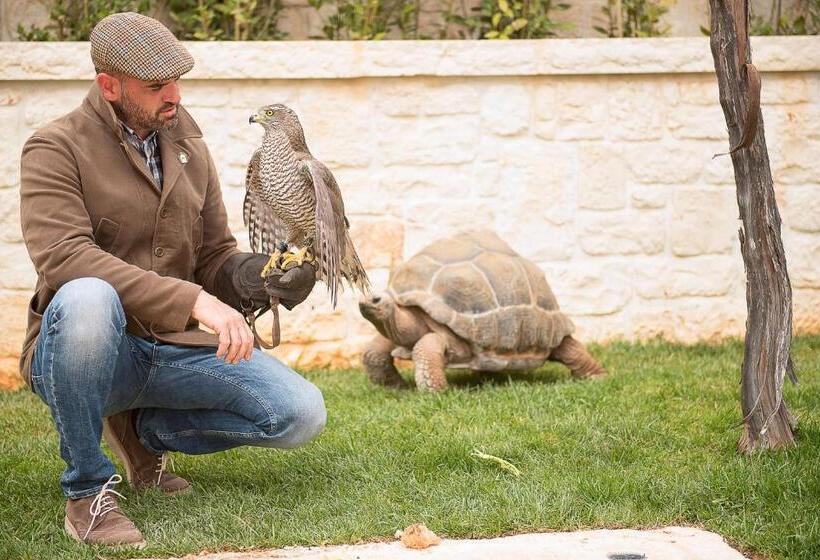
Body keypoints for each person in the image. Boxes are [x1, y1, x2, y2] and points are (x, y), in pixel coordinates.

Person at [18, 12, 326, 548]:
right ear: (108, 85)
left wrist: (260, 278)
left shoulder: (187, 147)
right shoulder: (55, 148)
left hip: (173, 349)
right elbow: (65, 258)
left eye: (178, 80)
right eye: (158, 85)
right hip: (90, 353)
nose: (175, 96)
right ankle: (87, 491)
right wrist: (195, 300)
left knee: (300, 414)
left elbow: (213, 255)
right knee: (89, 296)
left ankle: (143, 433)